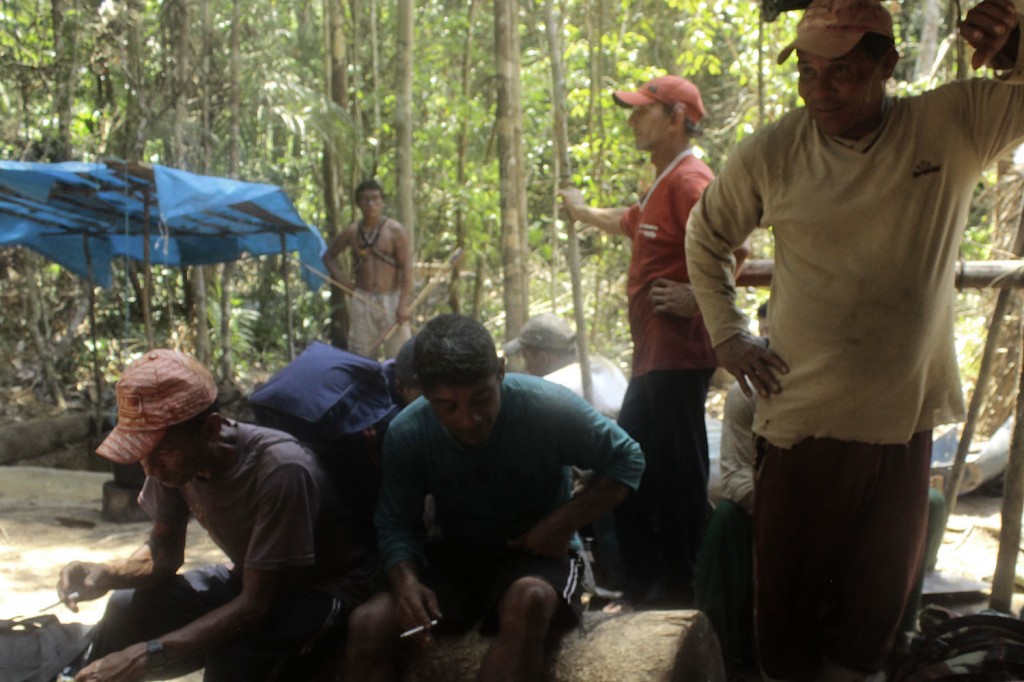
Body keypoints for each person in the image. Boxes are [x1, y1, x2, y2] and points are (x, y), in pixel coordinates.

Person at [685, 0, 1024, 677]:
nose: (819, 89)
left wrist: (1015, 45)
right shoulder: (775, 151)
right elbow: (707, 234)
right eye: (807, 72)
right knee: (787, 614)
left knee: (872, 619)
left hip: (902, 424)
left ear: (887, 66)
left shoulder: (948, 123)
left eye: (841, 72)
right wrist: (726, 334)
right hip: (801, 421)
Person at [342, 314, 645, 682]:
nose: (469, 419)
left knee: (528, 601)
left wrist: (563, 521)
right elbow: (395, 523)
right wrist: (406, 581)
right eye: (447, 406)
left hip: (537, 557)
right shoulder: (409, 432)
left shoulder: (545, 407)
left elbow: (628, 458)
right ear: (422, 391)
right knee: (369, 622)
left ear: (500, 371)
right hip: (457, 556)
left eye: (481, 398)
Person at [56, 350, 377, 681]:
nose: (150, 468)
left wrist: (147, 654)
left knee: (233, 659)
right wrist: (108, 573)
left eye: (162, 451)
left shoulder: (281, 470)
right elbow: (164, 551)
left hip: (322, 591)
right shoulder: (170, 466)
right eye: (142, 453)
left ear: (209, 429)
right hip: (254, 580)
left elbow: (254, 608)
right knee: (126, 608)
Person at [560, 74, 745, 608]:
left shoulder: (692, 181)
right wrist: (580, 211)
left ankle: (680, 585)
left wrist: (696, 295)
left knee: (663, 467)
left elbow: (734, 250)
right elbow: (628, 221)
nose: (632, 120)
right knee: (639, 461)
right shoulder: (664, 182)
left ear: (677, 119)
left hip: (678, 353)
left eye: (645, 111)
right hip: (653, 354)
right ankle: (647, 583)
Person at [323, 179, 414, 359]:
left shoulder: (395, 231)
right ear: (358, 203)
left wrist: (403, 305)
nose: (370, 204)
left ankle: (396, 388)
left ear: (382, 202)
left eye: (375, 199)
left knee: (399, 355)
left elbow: (407, 271)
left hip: (391, 301)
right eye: (365, 199)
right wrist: (346, 284)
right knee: (361, 356)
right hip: (362, 300)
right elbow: (328, 257)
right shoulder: (352, 232)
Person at [504, 312, 628, 419]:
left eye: (526, 358)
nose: (527, 368)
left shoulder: (551, 387)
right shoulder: (605, 365)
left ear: (543, 358)